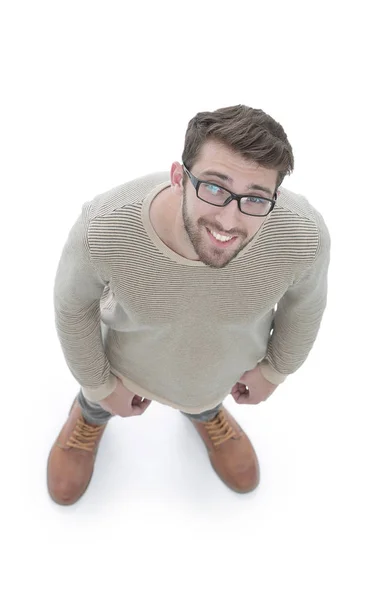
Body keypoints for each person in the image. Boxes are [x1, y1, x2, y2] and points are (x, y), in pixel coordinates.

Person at [47, 104, 330, 505]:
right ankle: (90, 416)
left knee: (202, 392)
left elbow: (307, 305)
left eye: (255, 198)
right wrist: (99, 386)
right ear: (180, 177)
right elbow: (72, 308)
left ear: (275, 197)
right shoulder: (105, 226)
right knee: (96, 402)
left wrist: (277, 369)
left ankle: (204, 410)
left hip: (219, 368)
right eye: (214, 187)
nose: (230, 220)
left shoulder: (303, 236)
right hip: (124, 362)